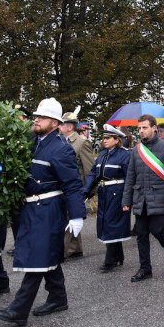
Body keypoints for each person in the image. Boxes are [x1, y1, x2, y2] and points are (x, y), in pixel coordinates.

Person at [0, 98, 86, 326]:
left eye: (41, 117)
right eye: (36, 116)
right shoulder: (33, 141)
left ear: (54, 123)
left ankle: (19, 310)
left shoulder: (61, 148)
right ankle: (58, 298)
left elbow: (73, 185)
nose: (36, 119)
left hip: (48, 209)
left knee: (38, 257)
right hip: (31, 208)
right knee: (47, 255)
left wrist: (76, 215)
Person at [122, 114, 164, 282]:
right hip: (141, 198)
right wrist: (126, 201)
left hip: (159, 197)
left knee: (158, 230)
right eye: (139, 128)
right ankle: (145, 268)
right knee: (141, 234)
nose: (141, 131)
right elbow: (130, 177)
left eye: (144, 127)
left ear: (154, 128)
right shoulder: (136, 150)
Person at [83, 124, 131, 272]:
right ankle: (118, 255)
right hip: (105, 193)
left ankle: (110, 260)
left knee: (112, 224)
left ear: (117, 140)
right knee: (105, 223)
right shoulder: (103, 155)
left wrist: (127, 199)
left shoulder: (124, 154)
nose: (105, 140)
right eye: (104, 137)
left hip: (118, 192)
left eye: (108, 138)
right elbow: (93, 174)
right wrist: (85, 190)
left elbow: (130, 177)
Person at [60, 109, 94, 260]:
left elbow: (89, 168)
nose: (59, 127)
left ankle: (67, 250)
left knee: (70, 217)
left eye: (62, 124)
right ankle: (74, 249)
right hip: (63, 186)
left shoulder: (81, 142)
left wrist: (89, 190)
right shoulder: (60, 141)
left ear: (70, 127)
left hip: (76, 187)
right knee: (68, 216)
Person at [7, 104, 33, 256]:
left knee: (25, 217)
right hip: (14, 183)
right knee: (15, 217)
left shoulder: (31, 136)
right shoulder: (11, 135)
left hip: (27, 182)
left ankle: (25, 243)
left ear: (24, 118)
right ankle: (18, 242)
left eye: (16, 116)